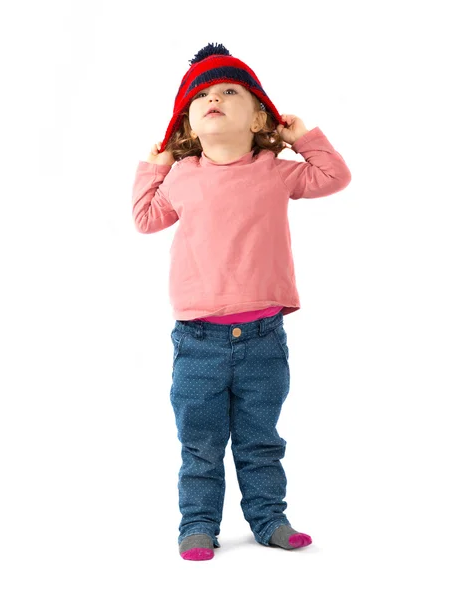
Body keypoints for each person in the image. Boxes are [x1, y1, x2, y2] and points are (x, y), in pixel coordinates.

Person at [132, 42, 352, 560]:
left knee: (260, 440)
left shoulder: (276, 168)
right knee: (201, 445)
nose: (215, 98)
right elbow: (144, 219)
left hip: (263, 339)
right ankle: (198, 525)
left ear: (258, 118)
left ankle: (269, 518)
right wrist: (153, 166)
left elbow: (334, 177)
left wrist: (304, 138)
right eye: (202, 94)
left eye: (231, 92)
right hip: (198, 341)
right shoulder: (183, 177)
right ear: (187, 124)